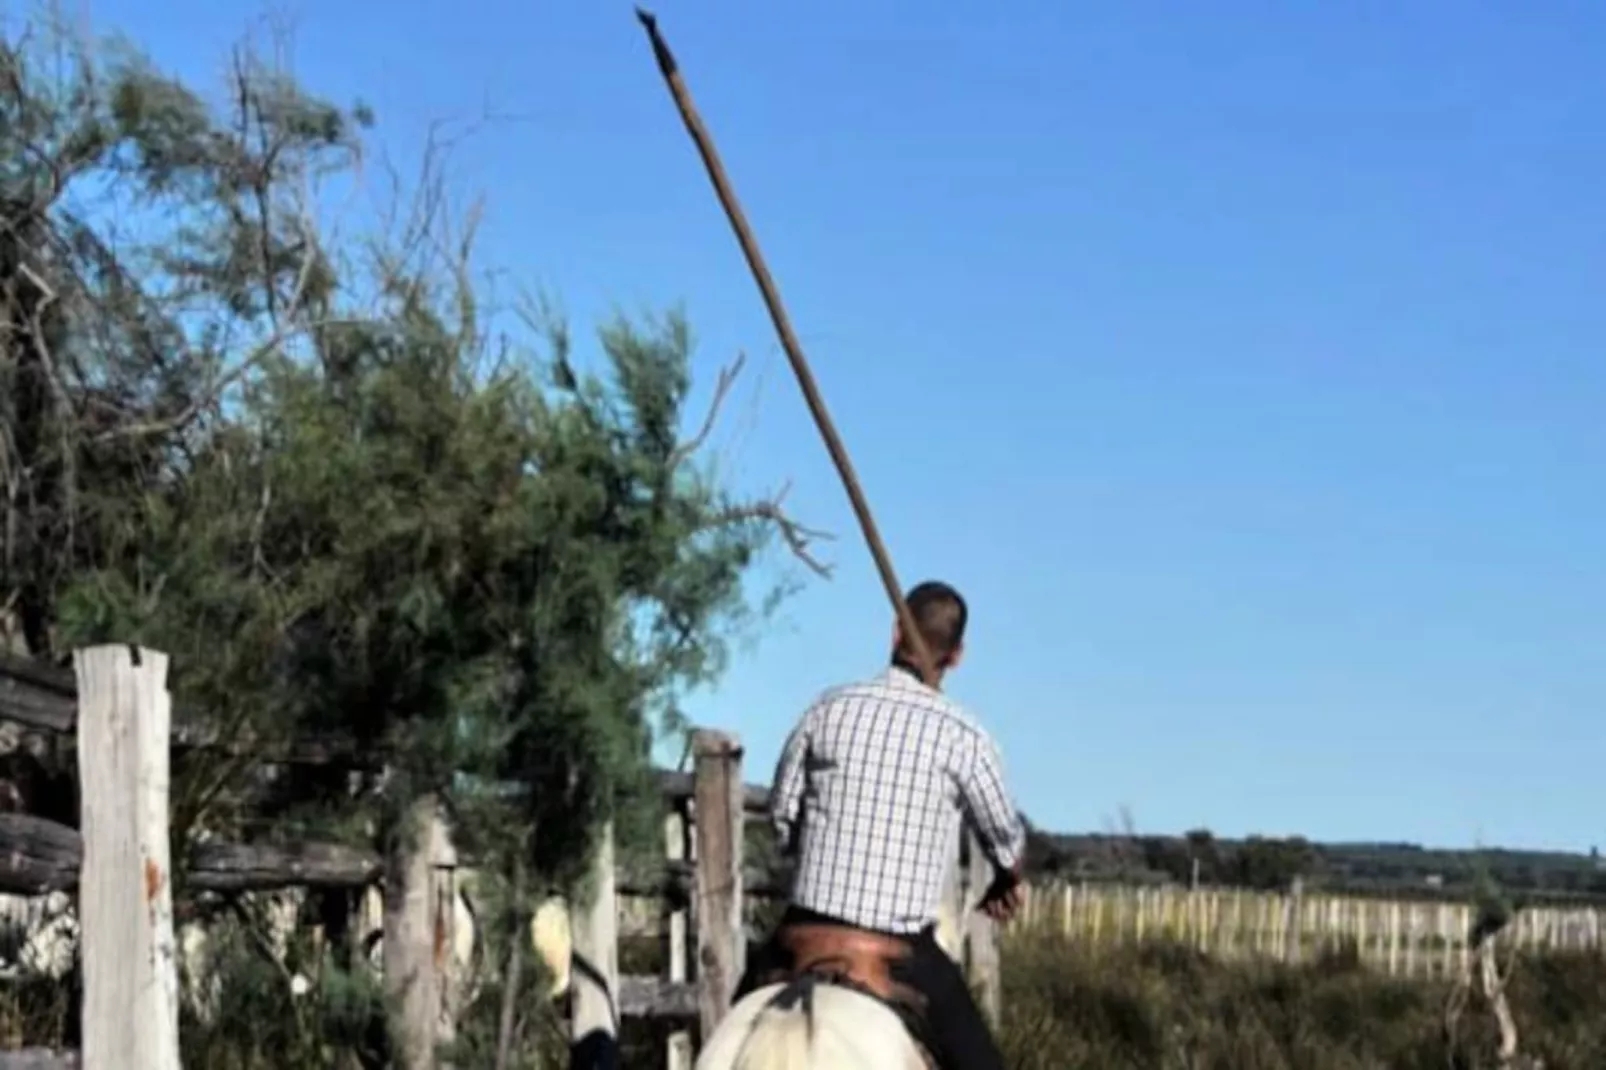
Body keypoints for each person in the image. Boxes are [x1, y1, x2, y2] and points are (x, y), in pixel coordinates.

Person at [733, 580, 1027, 1070]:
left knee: (731, 1029)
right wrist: (1008, 879)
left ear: (895, 633)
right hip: (901, 951)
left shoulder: (826, 709)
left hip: (802, 933)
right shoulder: (965, 736)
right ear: (957, 656)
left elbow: (783, 818)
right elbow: (1004, 840)